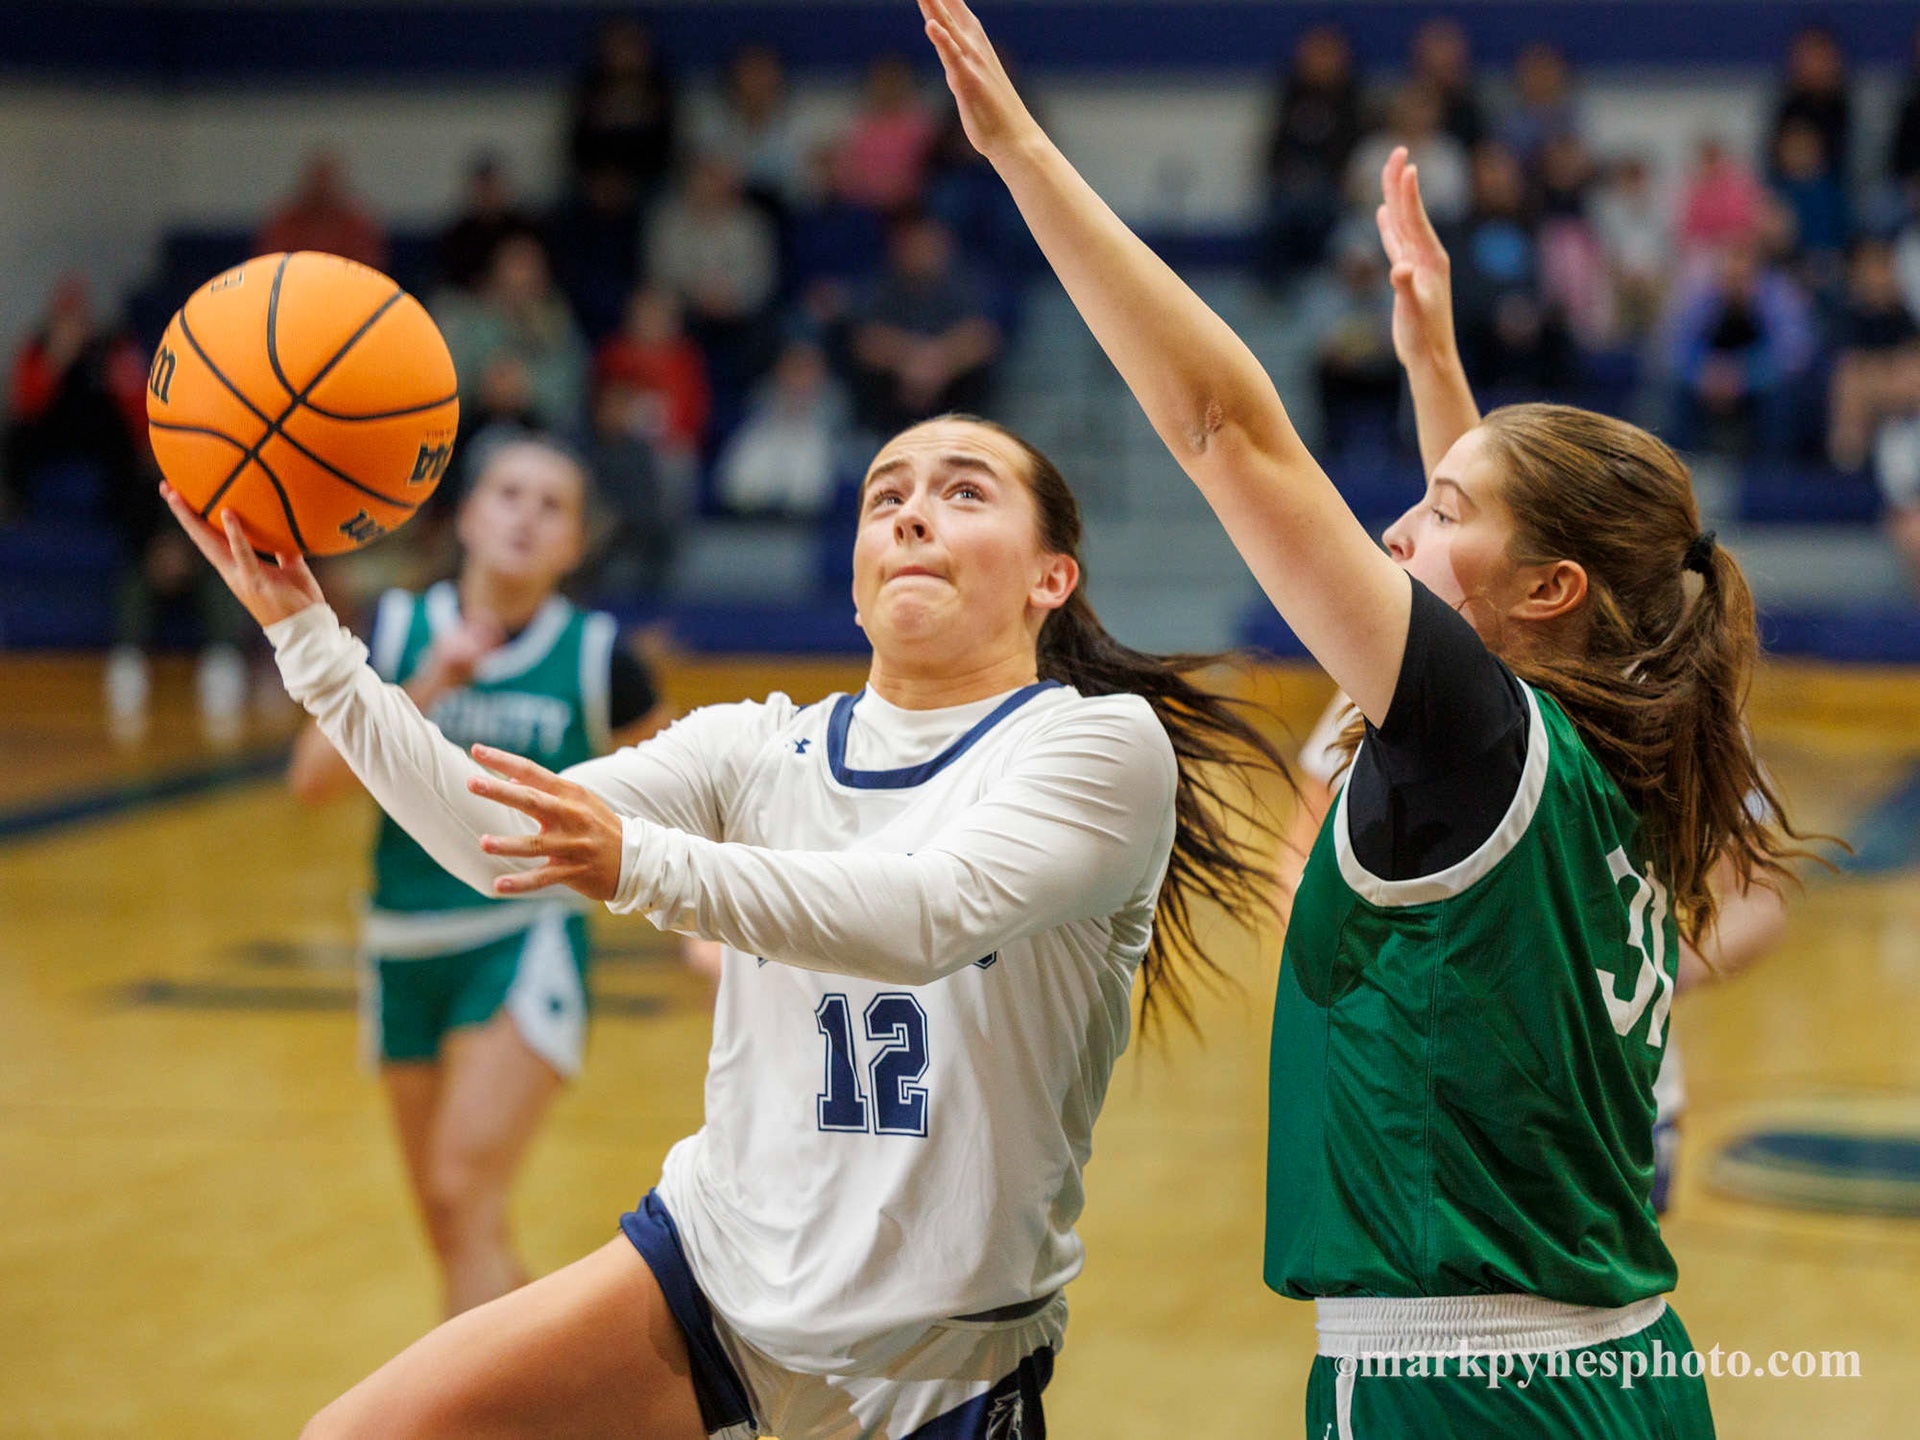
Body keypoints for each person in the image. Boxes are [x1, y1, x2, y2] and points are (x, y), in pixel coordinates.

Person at [918, 3, 1807, 1435]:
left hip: (1464, 1389)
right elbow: (1503, 578)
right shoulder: (1621, 741)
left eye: (1439, 507)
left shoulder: (1485, 743)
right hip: (1623, 1366)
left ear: (1549, 588)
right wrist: (1434, 363)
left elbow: (1223, 423)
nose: (1397, 520)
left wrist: (1021, 152)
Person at [165, 401, 1291, 1436]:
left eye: (962, 491)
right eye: (884, 496)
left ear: (1053, 577)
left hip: (936, 1356)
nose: (909, 513)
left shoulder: (1098, 746)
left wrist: (642, 863)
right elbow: (485, 833)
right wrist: (308, 637)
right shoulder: (759, 743)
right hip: (707, 1273)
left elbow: (928, 914)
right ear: (854, 580)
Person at [284, 437, 661, 1319]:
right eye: (508, 493)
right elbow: (311, 781)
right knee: (453, 1227)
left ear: (575, 544)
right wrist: (431, 680)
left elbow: (681, 801)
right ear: (466, 517)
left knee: (461, 1190)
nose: (526, 515)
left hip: (521, 938)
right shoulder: (396, 630)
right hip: (399, 944)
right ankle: (555, 1401)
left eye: (552, 504)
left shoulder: (604, 656)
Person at [255, 150, 387, 272]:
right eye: (318, 180)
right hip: (295, 288)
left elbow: (367, 269)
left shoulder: (354, 224)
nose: (322, 187)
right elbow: (270, 265)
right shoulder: (287, 222)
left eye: (327, 180)